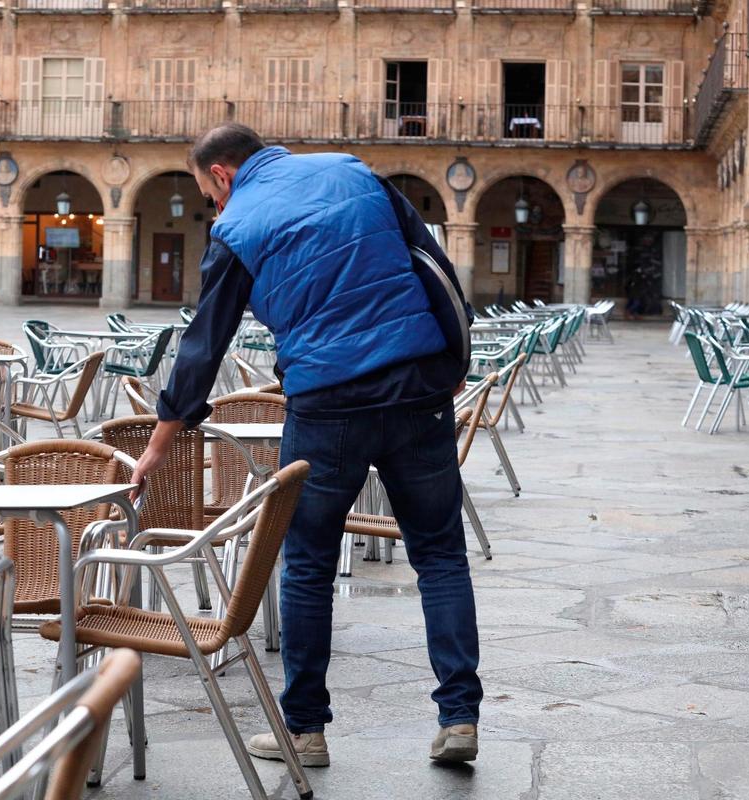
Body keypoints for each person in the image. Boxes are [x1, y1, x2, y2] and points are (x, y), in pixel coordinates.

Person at [129, 123, 483, 768]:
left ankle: (305, 731)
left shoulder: (237, 226)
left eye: (210, 196)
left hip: (328, 405)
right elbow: (431, 260)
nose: (216, 209)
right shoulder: (353, 171)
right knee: (439, 556)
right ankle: (459, 718)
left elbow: (205, 341)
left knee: (310, 564)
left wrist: (164, 436)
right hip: (416, 388)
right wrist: (454, 359)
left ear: (221, 176)